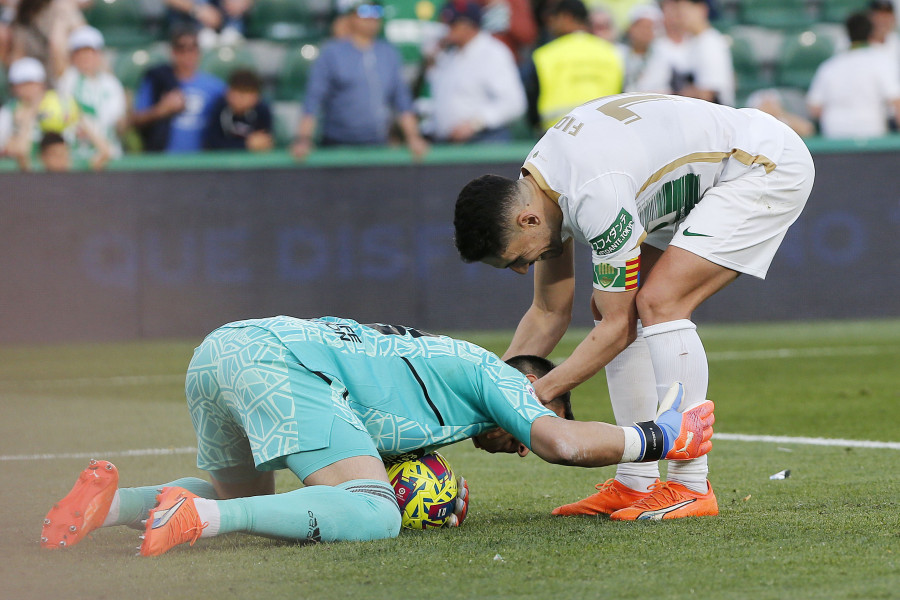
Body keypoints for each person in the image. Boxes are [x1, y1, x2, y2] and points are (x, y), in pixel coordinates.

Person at [40, 315, 714, 554]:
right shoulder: (501, 378)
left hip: (226, 347)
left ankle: (113, 507)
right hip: (283, 365)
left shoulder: (440, 371)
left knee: (254, 491)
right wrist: (659, 436)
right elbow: (563, 446)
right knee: (373, 511)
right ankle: (202, 518)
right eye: (554, 407)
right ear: (539, 390)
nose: (530, 436)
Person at [453, 93, 814, 520]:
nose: (518, 270)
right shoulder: (539, 187)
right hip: (694, 184)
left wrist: (535, 397)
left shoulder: (592, 195)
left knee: (659, 303)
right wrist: (495, 397)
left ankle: (691, 484)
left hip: (761, 166)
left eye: (515, 259)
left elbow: (617, 327)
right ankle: (635, 483)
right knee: (611, 302)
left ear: (527, 221)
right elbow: (550, 312)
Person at [292, 0, 428, 161]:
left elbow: (402, 100)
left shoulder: (388, 53)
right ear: (351, 17)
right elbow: (313, 99)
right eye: (364, 11)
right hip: (337, 146)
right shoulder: (333, 53)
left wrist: (413, 137)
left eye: (376, 11)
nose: (371, 17)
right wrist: (303, 139)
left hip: (377, 145)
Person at [423, 0, 526, 143]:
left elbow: (514, 104)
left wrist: (475, 124)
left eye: (452, 25)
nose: (447, 29)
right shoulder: (448, 55)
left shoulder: (492, 52)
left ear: (469, 26)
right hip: (449, 145)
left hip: (486, 142)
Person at [523, 0, 623, 133]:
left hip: (557, 134)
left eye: (554, 18)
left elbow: (532, 100)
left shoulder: (545, 55)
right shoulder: (611, 53)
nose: (551, 24)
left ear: (567, 17)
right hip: (604, 131)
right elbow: (622, 94)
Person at [0, 56, 109, 170]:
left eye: (32, 83)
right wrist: (29, 118)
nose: (28, 89)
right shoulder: (8, 112)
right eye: (22, 84)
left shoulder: (59, 105)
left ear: (42, 84)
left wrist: (78, 116)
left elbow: (105, 152)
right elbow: (21, 153)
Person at [130, 26, 227, 153]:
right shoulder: (158, 80)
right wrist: (161, 110)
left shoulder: (215, 87)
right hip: (164, 160)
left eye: (192, 49)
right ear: (173, 52)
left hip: (203, 162)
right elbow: (135, 121)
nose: (187, 54)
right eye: (181, 49)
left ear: (199, 52)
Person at [807, 11, 900, 139]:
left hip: (834, 135)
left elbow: (815, 109)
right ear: (871, 33)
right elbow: (896, 103)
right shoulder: (881, 61)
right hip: (872, 134)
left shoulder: (829, 66)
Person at [56, 25, 127, 161]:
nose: (86, 57)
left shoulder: (111, 83)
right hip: (76, 156)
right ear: (73, 56)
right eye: (80, 52)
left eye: (90, 52)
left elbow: (118, 121)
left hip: (109, 157)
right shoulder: (68, 79)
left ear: (99, 54)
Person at [8, 0, 85, 85]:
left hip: (67, 67)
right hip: (37, 71)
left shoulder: (63, 7)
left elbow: (83, 38)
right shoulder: (22, 13)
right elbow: (18, 54)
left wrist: (58, 29)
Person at [203, 68, 274, 151]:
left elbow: (265, 142)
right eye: (237, 92)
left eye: (245, 93)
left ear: (256, 96)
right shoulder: (219, 108)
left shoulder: (262, 111)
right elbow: (212, 143)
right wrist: (246, 145)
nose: (240, 99)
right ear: (228, 93)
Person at [618, 4, 662, 92]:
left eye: (649, 27)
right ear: (631, 28)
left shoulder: (661, 58)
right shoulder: (617, 53)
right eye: (641, 26)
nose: (645, 32)